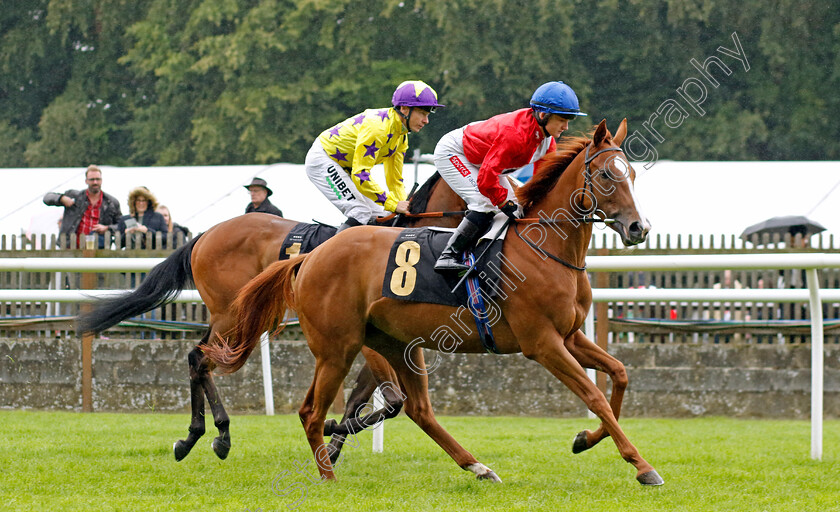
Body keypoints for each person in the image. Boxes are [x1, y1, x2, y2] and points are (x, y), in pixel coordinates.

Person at [433, 81, 587, 271]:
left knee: (519, 209)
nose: (566, 127)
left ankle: (486, 254)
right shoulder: (514, 135)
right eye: (562, 119)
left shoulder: (547, 142)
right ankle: (449, 255)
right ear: (543, 115)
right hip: (455, 153)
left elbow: (543, 182)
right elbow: (486, 179)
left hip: (485, 160)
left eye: (569, 120)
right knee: (485, 202)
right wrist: (504, 202)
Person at [305, 80, 444, 233]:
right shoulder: (378, 128)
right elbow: (360, 175)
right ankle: (331, 256)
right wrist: (392, 204)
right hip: (323, 159)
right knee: (359, 212)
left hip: (346, 166)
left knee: (383, 214)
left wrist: (403, 205)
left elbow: (394, 180)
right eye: (423, 114)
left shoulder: (401, 137)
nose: (426, 120)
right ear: (404, 109)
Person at [42, 164, 123, 248]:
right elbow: (47, 198)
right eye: (92, 180)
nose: (95, 182)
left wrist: (107, 228)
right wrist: (61, 198)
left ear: (101, 180)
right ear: (86, 181)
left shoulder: (112, 202)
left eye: (98, 179)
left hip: (98, 250)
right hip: (71, 248)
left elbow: (121, 224)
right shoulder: (75, 196)